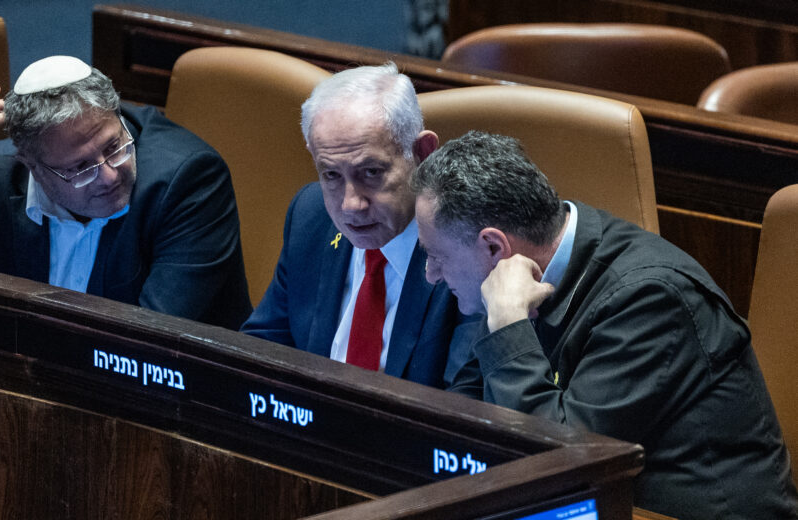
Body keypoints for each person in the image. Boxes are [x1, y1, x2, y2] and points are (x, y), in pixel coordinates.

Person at [412, 130, 798, 519]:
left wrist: (511, 325)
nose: (431, 275)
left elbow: (558, 464)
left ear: (494, 247)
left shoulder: (650, 298)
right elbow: (464, 410)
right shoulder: (514, 274)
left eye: (437, 256)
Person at [0, 56, 251, 329]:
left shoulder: (188, 181)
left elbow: (153, 343)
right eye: (79, 168)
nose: (107, 176)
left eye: (114, 146)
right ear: (31, 164)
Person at [241, 63, 476, 388]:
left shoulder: (468, 247)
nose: (351, 205)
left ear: (424, 154)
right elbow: (260, 350)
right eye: (332, 175)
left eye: (371, 172)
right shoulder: (311, 217)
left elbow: (466, 401)